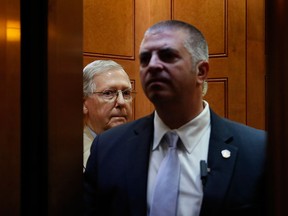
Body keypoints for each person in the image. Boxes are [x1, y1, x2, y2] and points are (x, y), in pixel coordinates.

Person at [84, 20, 267, 216]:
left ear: (201, 71)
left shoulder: (258, 151)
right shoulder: (108, 147)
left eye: (167, 56)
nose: (153, 65)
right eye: (145, 58)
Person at [83, 60, 134, 171]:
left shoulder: (141, 148)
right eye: (108, 93)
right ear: (84, 104)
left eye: (126, 93)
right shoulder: (66, 156)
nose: (121, 102)